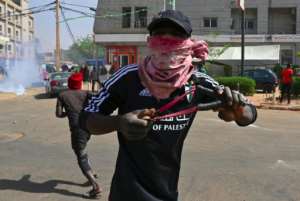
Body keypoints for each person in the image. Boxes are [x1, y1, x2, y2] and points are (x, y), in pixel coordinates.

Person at [80, 10, 257, 201]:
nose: (166, 40)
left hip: (167, 194)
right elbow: (87, 118)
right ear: (149, 40)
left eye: (176, 35)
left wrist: (238, 110)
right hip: (126, 193)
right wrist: (119, 122)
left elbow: (248, 115)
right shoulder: (128, 76)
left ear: (188, 43)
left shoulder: (197, 82)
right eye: (159, 34)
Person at [55, 72, 102, 198]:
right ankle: (91, 173)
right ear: (80, 83)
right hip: (89, 127)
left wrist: (69, 113)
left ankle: (95, 186)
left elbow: (58, 114)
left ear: (70, 83)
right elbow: (98, 100)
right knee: (82, 150)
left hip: (77, 129)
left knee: (80, 156)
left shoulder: (62, 95)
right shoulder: (86, 93)